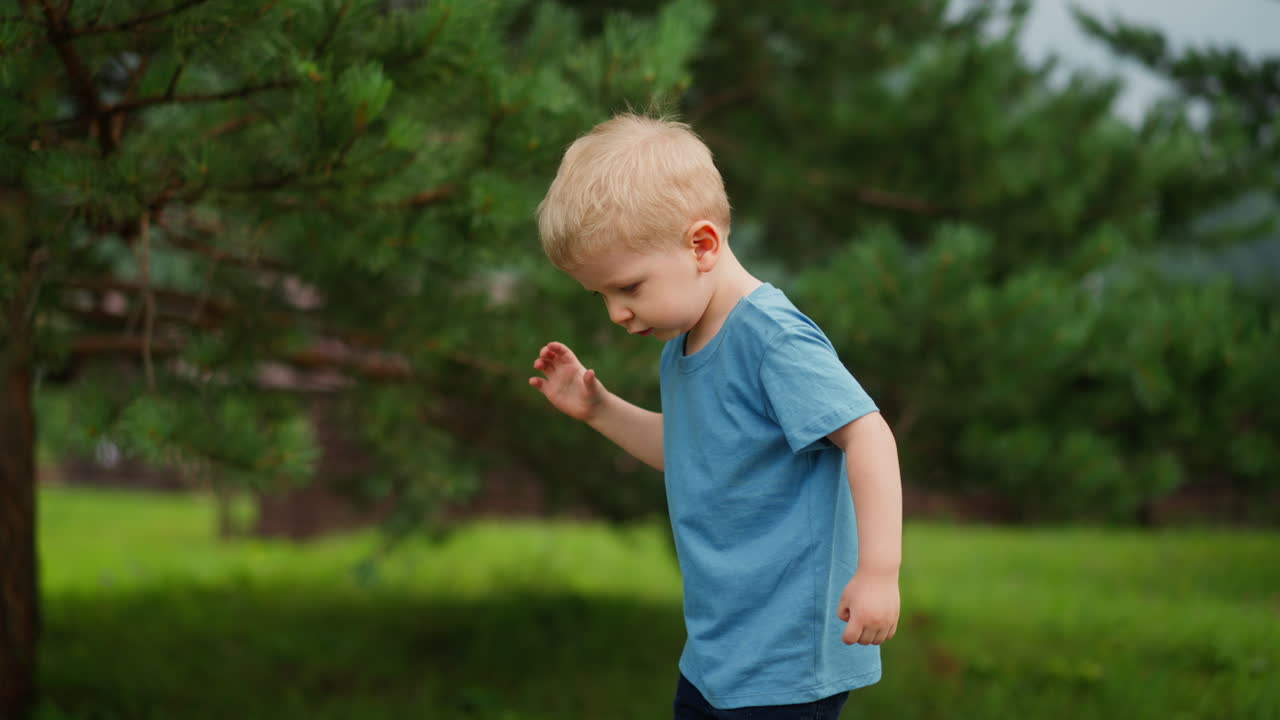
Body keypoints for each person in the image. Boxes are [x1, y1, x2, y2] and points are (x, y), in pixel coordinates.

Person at [528, 113, 903, 719]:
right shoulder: (682, 342)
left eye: (628, 287)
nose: (616, 314)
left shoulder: (772, 338)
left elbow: (868, 435)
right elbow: (691, 450)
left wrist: (879, 571)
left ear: (701, 246)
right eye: (601, 296)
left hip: (786, 658)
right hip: (717, 649)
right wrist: (598, 409)